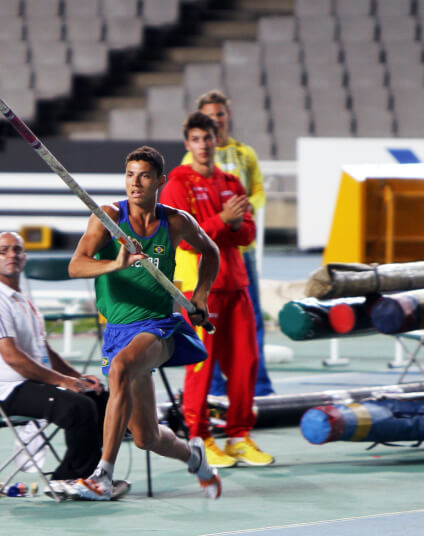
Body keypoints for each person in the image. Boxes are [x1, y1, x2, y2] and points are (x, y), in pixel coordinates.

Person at [67, 145, 223, 501]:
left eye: (144, 176)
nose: (135, 184)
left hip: (157, 328)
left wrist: (200, 296)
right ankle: (194, 456)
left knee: (120, 369)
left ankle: (103, 475)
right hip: (118, 331)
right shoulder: (107, 219)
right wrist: (116, 265)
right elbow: (76, 266)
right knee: (146, 437)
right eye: (130, 176)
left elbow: (210, 251)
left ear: (160, 181)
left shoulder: (176, 221)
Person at [161, 112, 274, 469]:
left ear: (216, 139)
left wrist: (236, 224)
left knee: (245, 364)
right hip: (200, 291)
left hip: (237, 284)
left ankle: (239, 436)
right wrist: (224, 221)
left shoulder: (231, 181)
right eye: (196, 139)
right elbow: (185, 240)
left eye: (208, 138)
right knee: (201, 367)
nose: (204, 145)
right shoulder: (178, 182)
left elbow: (248, 235)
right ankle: (200, 436)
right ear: (187, 144)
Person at [0, 231, 108, 490]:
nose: (12, 255)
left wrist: (78, 378)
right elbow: (12, 357)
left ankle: (94, 475)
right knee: (79, 407)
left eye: (17, 250)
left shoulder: (22, 298)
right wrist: (64, 382)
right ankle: (67, 479)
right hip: (7, 392)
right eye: (4, 250)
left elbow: (44, 351)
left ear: (24, 257)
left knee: (97, 396)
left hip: (32, 383)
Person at [182, 89, 274, 396]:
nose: (216, 121)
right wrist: (222, 216)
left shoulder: (245, 154)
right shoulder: (188, 161)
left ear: (227, 116)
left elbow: (259, 191)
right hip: (207, 256)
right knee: (210, 322)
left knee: (253, 318)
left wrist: (244, 209)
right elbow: (187, 214)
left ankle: (259, 386)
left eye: (220, 114)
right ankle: (215, 389)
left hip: (240, 251)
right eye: (209, 116)